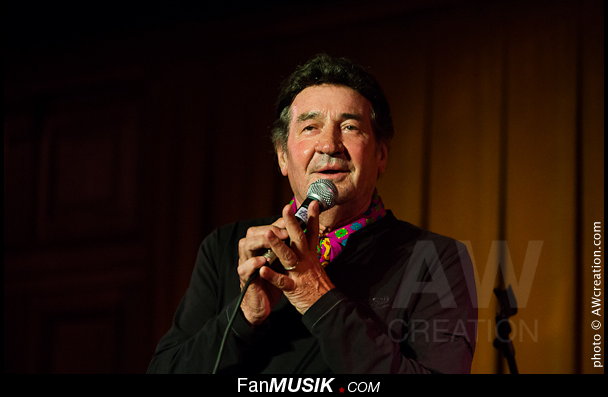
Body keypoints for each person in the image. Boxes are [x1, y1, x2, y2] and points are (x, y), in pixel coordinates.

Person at [147, 54, 477, 374]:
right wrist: (244, 316)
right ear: (282, 156)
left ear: (381, 155)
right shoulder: (226, 246)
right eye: (310, 127)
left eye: (350, 126)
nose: (329, 145)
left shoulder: (435, 259)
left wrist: (314, 295)